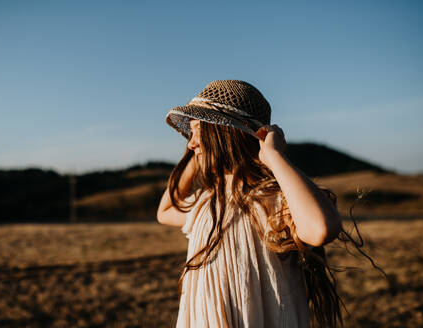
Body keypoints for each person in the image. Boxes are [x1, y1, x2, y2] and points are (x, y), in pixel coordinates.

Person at [156, 80, 370, 327]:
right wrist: (199, 150)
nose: (190, 143)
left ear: (228, 135)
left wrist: (273, 156)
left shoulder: (269, 199)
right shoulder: (210, 201)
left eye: (198, 132)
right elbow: (166, 210)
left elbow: (321, 229)